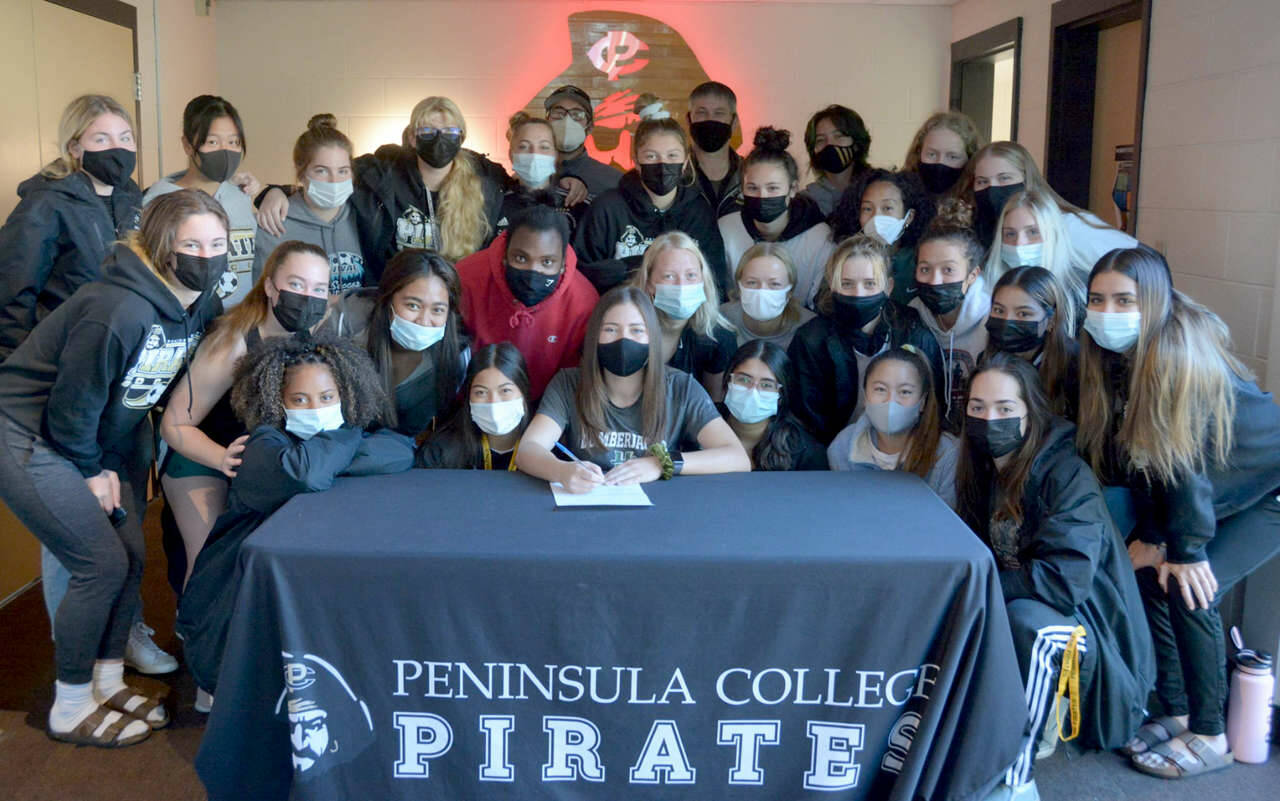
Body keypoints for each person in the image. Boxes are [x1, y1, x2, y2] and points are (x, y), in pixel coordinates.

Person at [0, 189, 226, 746]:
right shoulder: (118, 307)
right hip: (29, 432)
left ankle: (106, 682)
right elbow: (72, 403)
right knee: (97, 564)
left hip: (96, 439)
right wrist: (90, 469)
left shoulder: (199, 303)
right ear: (162, 246)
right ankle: (71, 704)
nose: (207, 256)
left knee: (129, 558)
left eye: (217, 243)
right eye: (192, 244)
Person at [1073, 248, 1280, 779]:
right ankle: (1179, 710)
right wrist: (1152, 538)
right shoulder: (1114, 357)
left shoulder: (1175, 355)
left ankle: (1211, 735)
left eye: (1125, 300)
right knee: (1155, 577)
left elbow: (1185, 466)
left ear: (1155, 302)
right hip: (1222, 489)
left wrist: (1183, 550)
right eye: (1098, 299)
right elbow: (1146, 463)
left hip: (1267, 492)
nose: (1107, 312)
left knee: (1191, 590)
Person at [177, 332, 413, 708]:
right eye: (299, 400)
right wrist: (348, 434)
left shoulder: (335, 444)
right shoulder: (260, 445)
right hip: (242, 594)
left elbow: (401, 451)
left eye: (327, 398)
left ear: (346, 396)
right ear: (277, 401)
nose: (316, 408)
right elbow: (305, 473)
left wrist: (335, 453)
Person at [957, 353, 1153, 801]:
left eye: (1005, 408)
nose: (989, 419)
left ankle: (1015, 778)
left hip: (1087, 630)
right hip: (1025, 608)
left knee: (1030, 625)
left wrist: (982, 592)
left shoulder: (1066, 474)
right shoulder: (983, 469)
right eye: (978, 407)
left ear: (1031, 414)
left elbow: (1065, 582)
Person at [159, 241, 331, 590]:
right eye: (296, 284)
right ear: (270, 287)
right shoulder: (232, 343)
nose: (307, 297)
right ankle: (192, 622)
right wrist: (221, 458)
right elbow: (174, 425)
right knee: (210, 562)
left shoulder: (309, 336)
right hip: (201, 459)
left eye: (318, 289)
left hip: (256, 463)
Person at [516, 286, 750, 489]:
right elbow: (528, 449)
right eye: (610, 329)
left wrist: (662, 463)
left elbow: (737, 457)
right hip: (590, 500)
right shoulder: (568, 383)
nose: (623, 340)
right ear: (595, 336)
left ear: (652, 338)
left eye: (637, 330)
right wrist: (562, 471)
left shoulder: (681, 387)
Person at [257, 96, 504, 279]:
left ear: (461, 137)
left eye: (449, 131)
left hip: (457, 305)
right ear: (412, 137)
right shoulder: (383, 174)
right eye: (428, 131)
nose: (439, 139)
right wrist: (276, 191)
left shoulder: (485, 180)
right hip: (393, 301)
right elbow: (335, 173)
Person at [0, 94, 142, 359]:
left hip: (116, 345)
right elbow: (12, 291)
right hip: (61, 351)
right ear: (75, 148)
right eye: (101, 139)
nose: (118, 148)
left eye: (125, 138)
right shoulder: (46, 202)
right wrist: (19, 364)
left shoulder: (131, 197)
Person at [789, 234, 943, 443]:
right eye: (847, 284)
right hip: (836, 449)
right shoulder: (811, 340)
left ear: (888, 287)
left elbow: (933, 403)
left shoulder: (913, 331)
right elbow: (809, 421)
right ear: (832, 286)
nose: (858, 294)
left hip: (908, 444)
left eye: (870, 284)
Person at [573, 110, 726, 296]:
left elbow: (715, 280)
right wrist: (627, 268)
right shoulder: (607, 208)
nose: (662, 164)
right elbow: (580, 276)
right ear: (636, 162)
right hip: (620, 309)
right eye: (651, 156)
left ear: (685, 162)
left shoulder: (699, 212)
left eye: (672, 156)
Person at [455, 205, 598, 398]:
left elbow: (573, 380)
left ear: (563, 264)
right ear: (505, 255)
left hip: (546, 404)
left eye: (547, 262)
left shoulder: (583, 302)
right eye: (521, 258)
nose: (533, 272)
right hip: (473, 400)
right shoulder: (466, 278)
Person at [327, 248, 468, 439]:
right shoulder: (347, 325)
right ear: (388, 300)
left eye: (437, 310)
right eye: (413, 305)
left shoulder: (455, 357)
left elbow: (411, 433)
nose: (423, 321)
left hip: (393, 444)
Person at [143, 94, 260, 308]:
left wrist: (274, 193)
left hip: (238, 321)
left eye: (233, 142)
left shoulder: (241, 195)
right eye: (212, 142)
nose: (225, 150)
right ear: (188, 145)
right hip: (185, 321)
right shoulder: (160, 200)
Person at [718, 127, 835, 308]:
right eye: (752, 188)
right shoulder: (726, 229)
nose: (762, 196)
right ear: (741, 189)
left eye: (772, 188)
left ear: (793, 189)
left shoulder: (820, 238)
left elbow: (820, 303)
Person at [828, 346, 959, 507]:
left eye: (905, 392)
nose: (891, 401)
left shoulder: (946, 453)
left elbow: (945, 519)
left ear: (922, 402)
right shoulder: (843, 446)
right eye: (880, 389)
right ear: (865, 396)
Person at [961, 140, 1137, 260]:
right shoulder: (981, 231)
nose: (992, 189)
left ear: (1027, 179)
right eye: (982, 181)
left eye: (1004, 178)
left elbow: (1137, 260)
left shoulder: (1069, 225)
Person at [251, 114, 363, 293]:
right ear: (301, 173)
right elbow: (260, 296)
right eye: (321, 171)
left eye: (343, 171)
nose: (334, 181)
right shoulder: (272, 224)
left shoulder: (364, 217)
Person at [628, 231, 737, 401]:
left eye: (691, 275)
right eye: (669, 276)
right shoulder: (625, 328)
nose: (681, 285)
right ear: (649, 283)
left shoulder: (718, 338)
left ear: (703, 280)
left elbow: (714, 404)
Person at [910, 204, 991, 431]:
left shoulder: (993, 319)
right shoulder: (911, 316)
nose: (935, 281)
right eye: (925, 269)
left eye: (948, 270)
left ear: (972, 275)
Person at [984, 189, 1097, 324]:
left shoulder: (1080, 291)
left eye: (1033, 232)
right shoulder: (987, 285)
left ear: (1054, 235)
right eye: (1010, 234)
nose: (1019, 243)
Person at [828, 168, 935, 305]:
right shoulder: (843, 256)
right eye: (867, 209)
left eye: (887, 208)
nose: (876, 217)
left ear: (909, 217)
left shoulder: (921, 260)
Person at [416, 343, 532, 470]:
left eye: (505, 391)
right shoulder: (441, 451)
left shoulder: (546, 447)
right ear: (469, 397)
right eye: (481, 392)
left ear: (524, 392)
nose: (493, 402)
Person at [985, 266, 1078, 420]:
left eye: (1023, 314)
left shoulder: (1076, 366)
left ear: (1051, 320)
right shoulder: (987, 361)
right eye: (999, 311)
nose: (1007, 322)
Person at [719, 341, 826, 470]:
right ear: (728, 380)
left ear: (781, 395)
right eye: (744, 379)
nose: (753, 392)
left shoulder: (805, 453)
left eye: (766, 385)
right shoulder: (699, 423)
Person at [494, 113, 580, 237]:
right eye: (524, 146)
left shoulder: (575, 202)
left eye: (544, 147)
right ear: (511, 155)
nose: (534, 154)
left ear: (555, 155)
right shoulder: (496, 203)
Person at [719, 243, 815, 350]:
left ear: (790, 291)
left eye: (774, 284)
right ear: (739, 286)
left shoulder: (810, 328)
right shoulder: (721, 319)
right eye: (752, 282)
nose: (762, 291)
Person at [545, 84, 622, 200]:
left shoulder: (613, 181)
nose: (566, 121)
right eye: (558, 113)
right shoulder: (529, 174)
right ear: (546, 123)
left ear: (589, 127)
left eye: (577, 115)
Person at [798, 104, 872, 216]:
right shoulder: (806, 202)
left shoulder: (878, 189)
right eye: (820, 140)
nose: (829, 144)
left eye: (839, 136)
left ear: (857, 143)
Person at [687, 81, 743, 218]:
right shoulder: (673, 175)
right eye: (701, 112)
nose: (710, 119)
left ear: (734, 122)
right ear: (688, 120)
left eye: (719, 113)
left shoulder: (750, 174)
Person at [901, 111, 984, 200]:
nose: (940, 162)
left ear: (970, 159)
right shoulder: (898, 197)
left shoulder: (980, 203)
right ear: (918, 153)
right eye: (932, 154)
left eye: (952, 157)